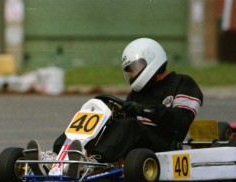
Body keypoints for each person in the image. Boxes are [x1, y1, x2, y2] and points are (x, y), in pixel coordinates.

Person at [53, 38, 203, 162]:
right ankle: (58, 157)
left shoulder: (182, 83)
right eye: (130, 71)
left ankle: (95, 161)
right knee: (94, 119)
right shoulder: (139, 91)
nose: (132, 75)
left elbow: (181, 120)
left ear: (151, 60)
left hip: (164, 144)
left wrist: (144, 110)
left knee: (130, 125)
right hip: (137, 143)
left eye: (134, 68)